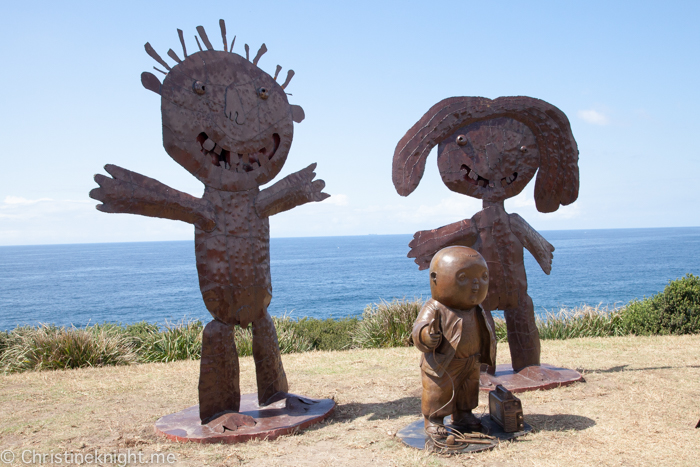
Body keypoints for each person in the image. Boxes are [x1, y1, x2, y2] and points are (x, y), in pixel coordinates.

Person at [412, 246, 496, 434]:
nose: (476, 284)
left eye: (483, 277)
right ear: (435, 279)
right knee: (438, 392)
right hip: (443, 362)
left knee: (468, 390)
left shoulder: (475, 309)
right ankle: (434, 419)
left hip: (471, 360)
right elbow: (419, 328)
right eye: (463, 278)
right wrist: (426, 336)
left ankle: (463, 414)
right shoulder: (435, 307)